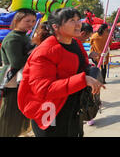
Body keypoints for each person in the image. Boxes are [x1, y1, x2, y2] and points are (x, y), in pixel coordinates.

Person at [17, 8, 104, 137]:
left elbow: (81, 67)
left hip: (73, 110)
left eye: (78, 20)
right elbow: (44, 89)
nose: (78, 24)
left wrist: (91, 72)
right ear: (56, 27)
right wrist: (82, 80)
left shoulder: (76, 43)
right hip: (50, 112)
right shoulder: (45, 52)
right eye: (71, 20)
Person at [0, 8, 36, 137]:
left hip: (22, 79)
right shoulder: (13, 39)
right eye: (27, 21)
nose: (31, 24)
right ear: (17, 20)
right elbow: (16, 62)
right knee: (10, 113)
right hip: (11, 80)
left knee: (19, 112)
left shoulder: (24, 36)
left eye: (33, 21)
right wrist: (34, 54)